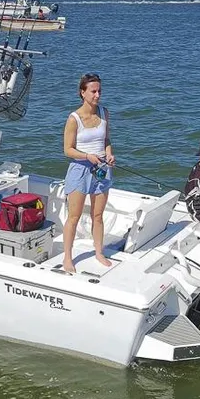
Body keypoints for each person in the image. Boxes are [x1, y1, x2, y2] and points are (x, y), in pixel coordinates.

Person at [62, 73, 115, 274]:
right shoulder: (74, 119)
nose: (97, 95)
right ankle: (68, 257)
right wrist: (86, 156)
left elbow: (106, 140)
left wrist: (109, 154)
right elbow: (68, 150)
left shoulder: (104, 113)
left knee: (98, 215)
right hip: (80, 169)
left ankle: (99, 252)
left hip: (102, 168)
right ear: (82, 93)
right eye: (93, 91)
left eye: (99, 90)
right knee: (74, 216)